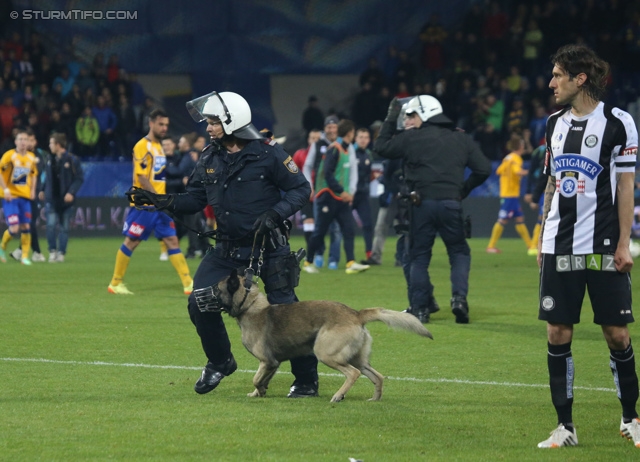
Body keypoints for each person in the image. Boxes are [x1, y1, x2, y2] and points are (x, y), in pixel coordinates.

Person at [128, 91, 319, 397]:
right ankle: (220, 360)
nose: (209, 127)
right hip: (226, 250)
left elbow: (300, 189)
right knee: (198, 301)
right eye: (208, 121)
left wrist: (274, 213)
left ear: (234, 121)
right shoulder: (210, 155)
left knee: (287, 313)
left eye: (214, 121)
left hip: (268, 248)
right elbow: (195, 198)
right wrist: (162, 201)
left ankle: (306, 380)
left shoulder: (268, 154)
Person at [536, 44, 640, 449]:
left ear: (580, 79)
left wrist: (625, 243)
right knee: (558, 331)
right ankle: (565, 427)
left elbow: (626, 186)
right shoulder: (552, 124)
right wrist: (542, 237)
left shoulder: (619, 122)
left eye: (558, 75)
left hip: (603, 247)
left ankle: (631, 418)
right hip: (559, 246)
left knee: (616, 334)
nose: (551, 83)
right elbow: (551, 184)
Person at [374, 95, 491, 324]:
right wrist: (462, 190)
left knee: (419, 257)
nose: (408, 119)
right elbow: (484, 169)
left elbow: (381, 147)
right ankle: (459, 299)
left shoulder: (411, 138)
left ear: (425, 113)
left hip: (421, 205)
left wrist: (390, 118)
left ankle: (420, 310)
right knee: (458, 252)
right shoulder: (461, 139)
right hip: (451, 204)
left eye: (412, 114)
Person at [107, 109, 193, 295]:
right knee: (131, 241)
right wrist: (156, 197)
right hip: (145, 204)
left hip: (159, 204)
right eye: (161, 124)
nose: (164, 128)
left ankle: (188, 284)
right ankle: (115, 283)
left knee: (172, 240)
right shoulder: (142, 146)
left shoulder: (159, 146)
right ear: (151, 123)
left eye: (166, 125)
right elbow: (141, 177)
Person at [302, 120, 370, 275]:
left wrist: (347, 192)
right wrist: (342, 190)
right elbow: (327, 174)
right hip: (327, 196)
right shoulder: (334, 149)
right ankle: (308, 262)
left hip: (340, 198)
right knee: (320, 231)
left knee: (348, 229)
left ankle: (350, 262)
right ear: (350, 133)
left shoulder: (346, 149)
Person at [302, 115, 342, 269]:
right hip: (321, 191)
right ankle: (319, 254)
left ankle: (333, 259)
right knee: (320, 227)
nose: (331, 130)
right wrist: (309, 185)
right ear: (325, 129)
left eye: (334, 127)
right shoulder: (318, 144)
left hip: (338, 192)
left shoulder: (342, 145)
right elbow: (307, 165)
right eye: (329, 127)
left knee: (337, 228)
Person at [38, 133, 84, 262]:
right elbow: (46, 176)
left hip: (66, 200)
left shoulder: (72, 160)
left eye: (51, 143)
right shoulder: (49, 159)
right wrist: (42, 189)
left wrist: (71, 192)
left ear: (58, 145)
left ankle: (61, 253)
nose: (49, 146)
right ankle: (52, 251)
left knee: (64, 227)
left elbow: (79, 178)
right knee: (51, 225)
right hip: (51, 198)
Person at [486, 136, 532, 253]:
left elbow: (498, 171)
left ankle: (530, 245)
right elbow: (517, 171)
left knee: (519, 219)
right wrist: (529, 172)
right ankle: (491, 246)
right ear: (520, 146)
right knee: (502, 220)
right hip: (510, 195)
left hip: (507, 193)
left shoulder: (507, 158)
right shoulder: (516, 158)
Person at [0, 129, 39, 265]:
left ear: (29, 142)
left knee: (26, 226)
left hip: (25, 197)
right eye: (20, 139)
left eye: (25, 139)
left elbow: (33, 174)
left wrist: (33, 190)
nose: (23, 142)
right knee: (14, 228)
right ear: (16, 141)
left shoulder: (31, 158)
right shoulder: (9, 156)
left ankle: (24, 257)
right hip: (10, 197)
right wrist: (5, 190)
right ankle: (2, 247)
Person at [10, 131, 46, 262]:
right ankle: (21, 250)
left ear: (35, 142)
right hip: (20, 195)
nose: (27, 143)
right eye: (25, 140)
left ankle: (36, 252)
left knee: (29, 223)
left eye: (30, 140)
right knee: (25, 224)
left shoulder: (37, 157)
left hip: (32, 195)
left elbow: (38, 172)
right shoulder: (17, 156)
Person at [292, 129, 321, 247]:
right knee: (309, 222)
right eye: (312, 138)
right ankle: (311, 250)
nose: (315, 141)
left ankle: (319, 250)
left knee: (320, 225)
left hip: (321, 194)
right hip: (306, 195)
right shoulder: (300, 154)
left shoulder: (326, 155)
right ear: (308, 140)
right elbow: (293, 173)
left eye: (317, 138)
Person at [352, 128, 374, 263]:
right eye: (361, 137)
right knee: (341, 227)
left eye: (366, 137)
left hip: (363, 195)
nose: (363, 140)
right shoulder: (349, 153)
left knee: (368, 224)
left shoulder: (368, 154)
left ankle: (369, 254)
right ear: (356, 138)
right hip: (349, 195)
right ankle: (333, 256)